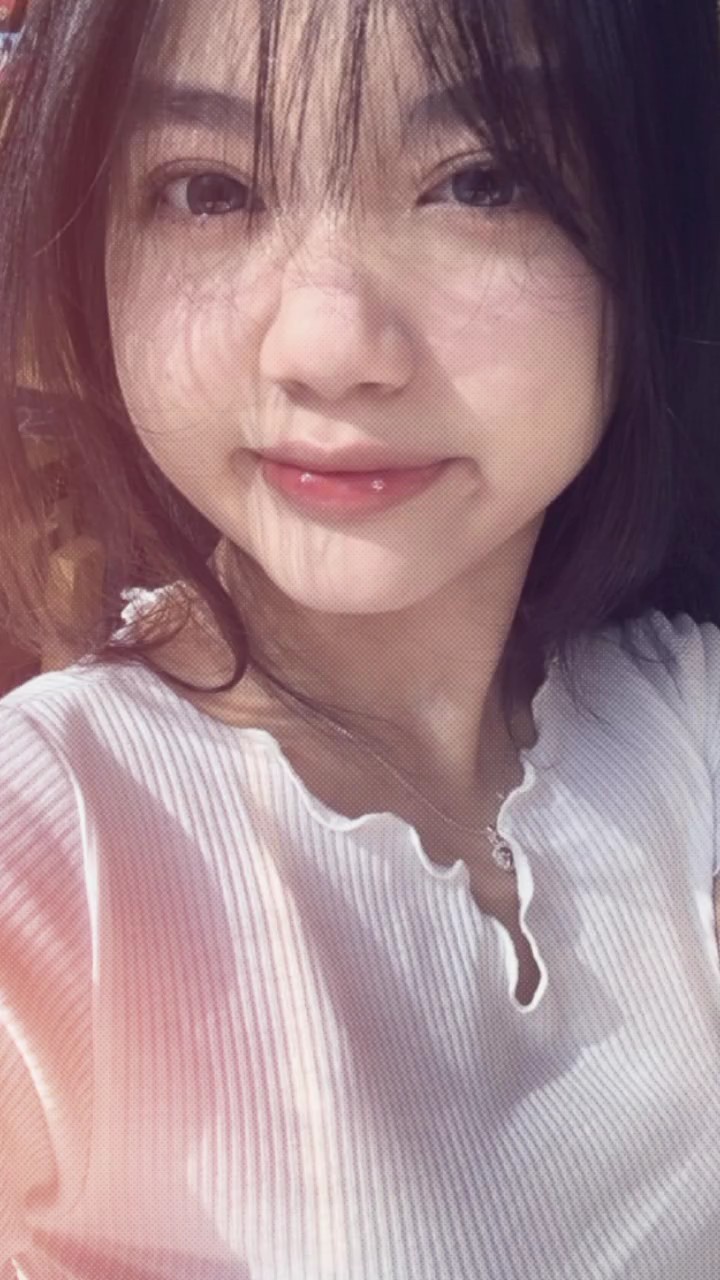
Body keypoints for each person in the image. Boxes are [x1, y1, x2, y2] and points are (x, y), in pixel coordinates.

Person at [1, 0, 719, 1275]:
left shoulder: (686, 718)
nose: (327, 348)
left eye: (483, 181)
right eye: (209, 189)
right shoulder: (55, 842)